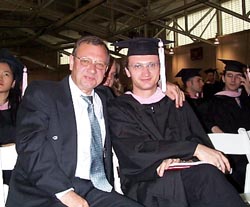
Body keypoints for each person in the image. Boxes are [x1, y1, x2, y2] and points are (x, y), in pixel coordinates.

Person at [6, 36, 184, 207]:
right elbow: (31, 146)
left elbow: (136, 106)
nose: (92, 69)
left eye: (100, 64)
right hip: (47, 193)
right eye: (85, 61)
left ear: (106, 70)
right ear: (71, 62)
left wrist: (160, 86)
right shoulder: (44, 94)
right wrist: (64, 192)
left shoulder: (106, 98)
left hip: (96, 190)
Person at [108, 38, 246, 207]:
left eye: (152, 65)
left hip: (187, 175)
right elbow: (135, 151)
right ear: (127, 71)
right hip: (146, 183)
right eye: (138, 66)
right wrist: (186, 152)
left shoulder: (176, 102)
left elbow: (196, 137)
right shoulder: (119, 107)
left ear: (160, 68)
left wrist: (183, 160)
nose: (146, 73)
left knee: (205, 177)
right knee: (205, 177)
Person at [205, 59, 250, 193]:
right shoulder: (214, 101)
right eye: (229, 76)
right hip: (230, 155)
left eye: (238, 76)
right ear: (223, 78)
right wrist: (213, 127)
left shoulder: (245, 99)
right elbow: (203, 120)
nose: (233, 80)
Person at [0, 48, 24, 185]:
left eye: (6, 74)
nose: (0, 78)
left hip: (15, 177)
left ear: (14, 82)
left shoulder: (24, 111)